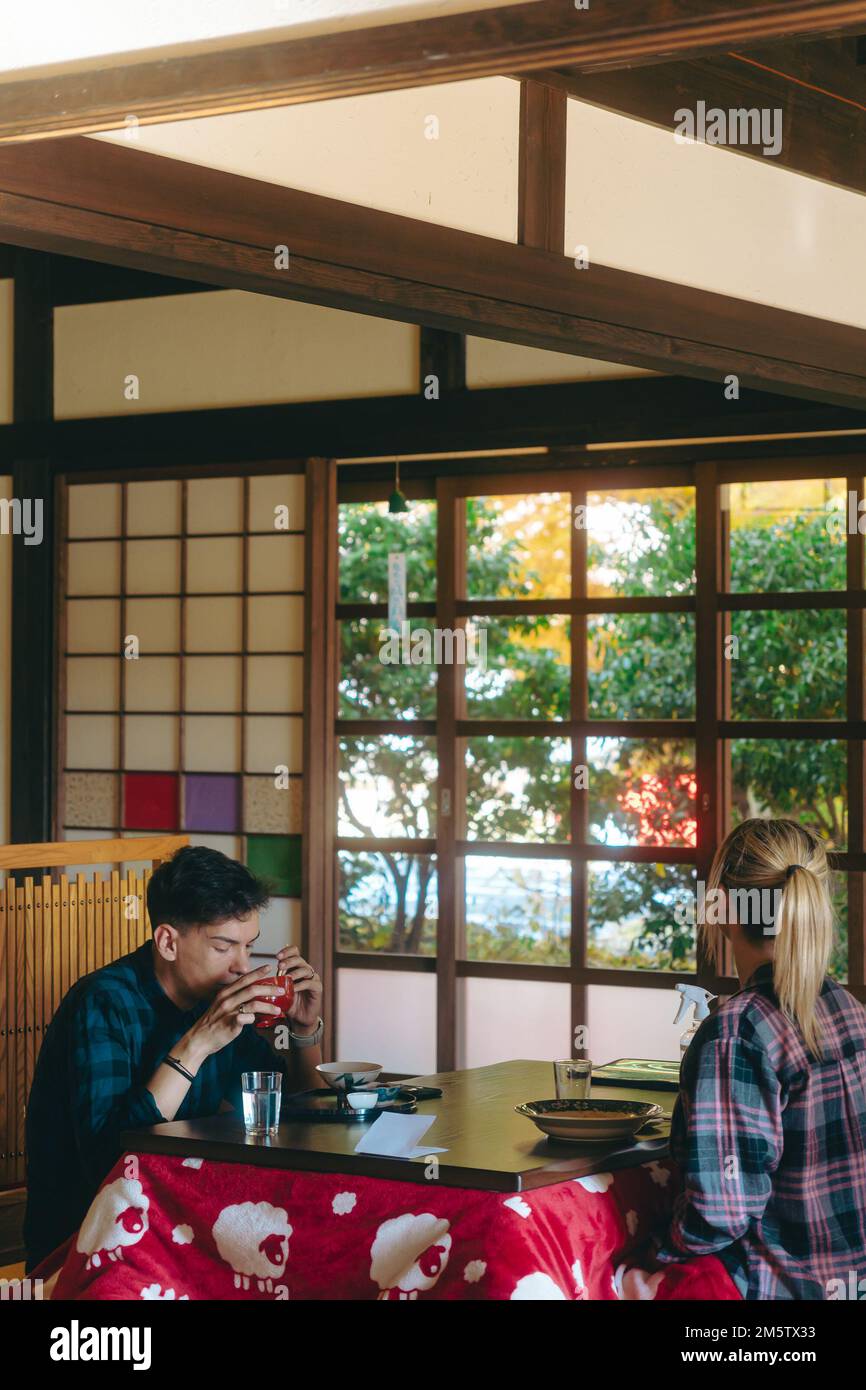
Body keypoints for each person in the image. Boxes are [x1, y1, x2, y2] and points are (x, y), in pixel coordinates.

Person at [23, 845, 326, 1273]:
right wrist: (198, 1042)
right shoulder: (102, 1003)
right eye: (225, 947)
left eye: (250, 946)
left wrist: (303, 1031)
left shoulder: (215, 1001)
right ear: (168, 941)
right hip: (88, 1244)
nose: (243, 966)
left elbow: (298, 1115)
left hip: (181, 1229)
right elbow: (108, 1166)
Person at [651, 817, 866, 1300]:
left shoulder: (738, 1030)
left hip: (774, 1289)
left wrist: (656, 1250)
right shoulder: (850, 1011)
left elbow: (720, 1215)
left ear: (724, 905)